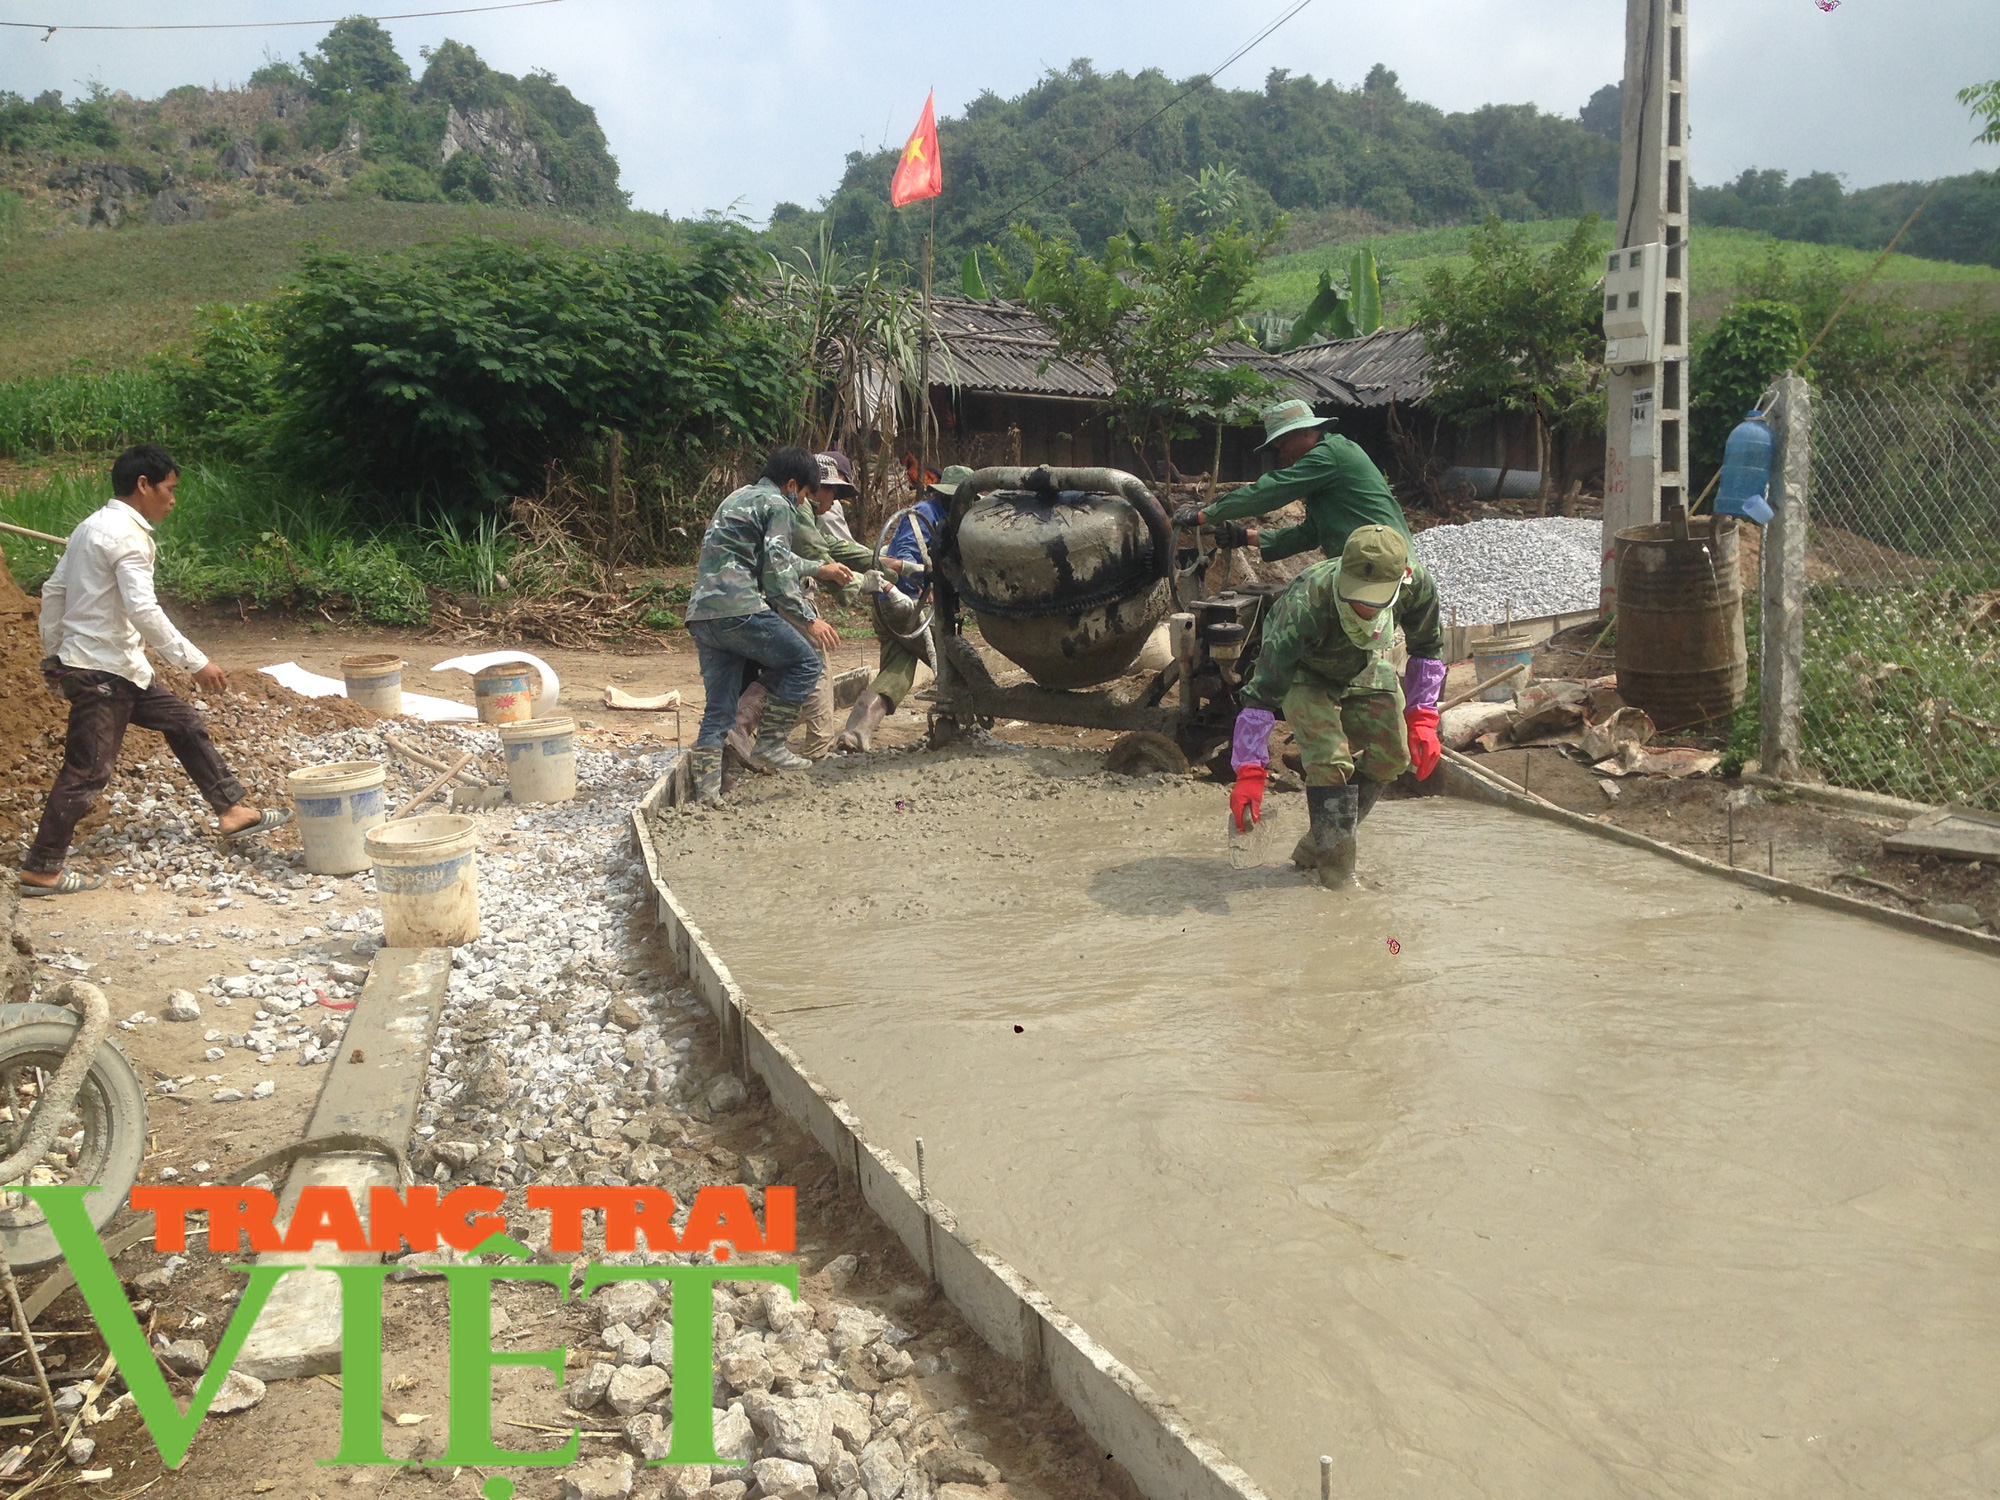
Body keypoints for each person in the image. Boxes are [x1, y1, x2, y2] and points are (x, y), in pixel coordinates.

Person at [22, 444, 291, 896]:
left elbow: (54, 591)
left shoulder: (89, 528)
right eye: (169, 488)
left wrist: (54, 655)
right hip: (102, 672)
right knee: (88, 772)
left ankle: (232, 809)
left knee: (183, 721)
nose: (173, 498)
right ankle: (41, 868)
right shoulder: (128, 536)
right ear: (143, 485)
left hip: (116, 667)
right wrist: (195, 662)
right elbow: (143, 609)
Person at [1227, 524, 1446, 887]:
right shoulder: (1306, 602)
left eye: (1374, 598)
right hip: (1305, 672)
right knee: (1329, 765)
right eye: (1356, 595)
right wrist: (1250, 770)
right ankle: (1337, 882)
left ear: (1402, 579)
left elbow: (1427, 649)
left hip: (1363, 662)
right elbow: (1263, 690)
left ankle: (1319, 843)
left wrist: (1423, 716)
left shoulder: (1418, 587)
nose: (1362, 606)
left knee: (1394, 757)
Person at [684, 447, 844, 806]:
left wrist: (819, 569)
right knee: (807, 662)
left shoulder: (739, 497)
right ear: (792, 484)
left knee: (719, 709)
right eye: (803, 494)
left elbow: (773, 555)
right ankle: (770, 744)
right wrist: (809, 618)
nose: (802, 501)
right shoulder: (779, 505)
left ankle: (707, 796)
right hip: (741, 608)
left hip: (704, 615)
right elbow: (776, 573)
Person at [724, 453, 897, 767]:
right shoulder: (791, 509)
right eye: (831, 492)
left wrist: (885, 565)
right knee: (810, 666)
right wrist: (856, 588)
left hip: (738, 604)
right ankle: (808, 749)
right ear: (811, 488)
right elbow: (806, 559)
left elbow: (831, 550)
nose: (833, 501)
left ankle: (740, 747)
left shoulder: (778, 505)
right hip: (779, 599)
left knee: (776, 672)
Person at [1171, 398, 1409, 563]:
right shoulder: (1327, 469)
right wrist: (1246, 537)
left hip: (1383, 566)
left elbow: (1272, 490)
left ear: (1305, 432)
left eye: (1282, 444)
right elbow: (1308, 535)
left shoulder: (1328, 456)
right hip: (1388, 564)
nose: (1282, 454)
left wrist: (1206, 514)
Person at [837, 463, 966, 753]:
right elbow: (903, 556)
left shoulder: (944, 518)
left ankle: (856, 734)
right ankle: (957, 728)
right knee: (955, 661)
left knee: (897, 671)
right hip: (905, 606)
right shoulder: (925, 517)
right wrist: (923, 579)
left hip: (890, 609)